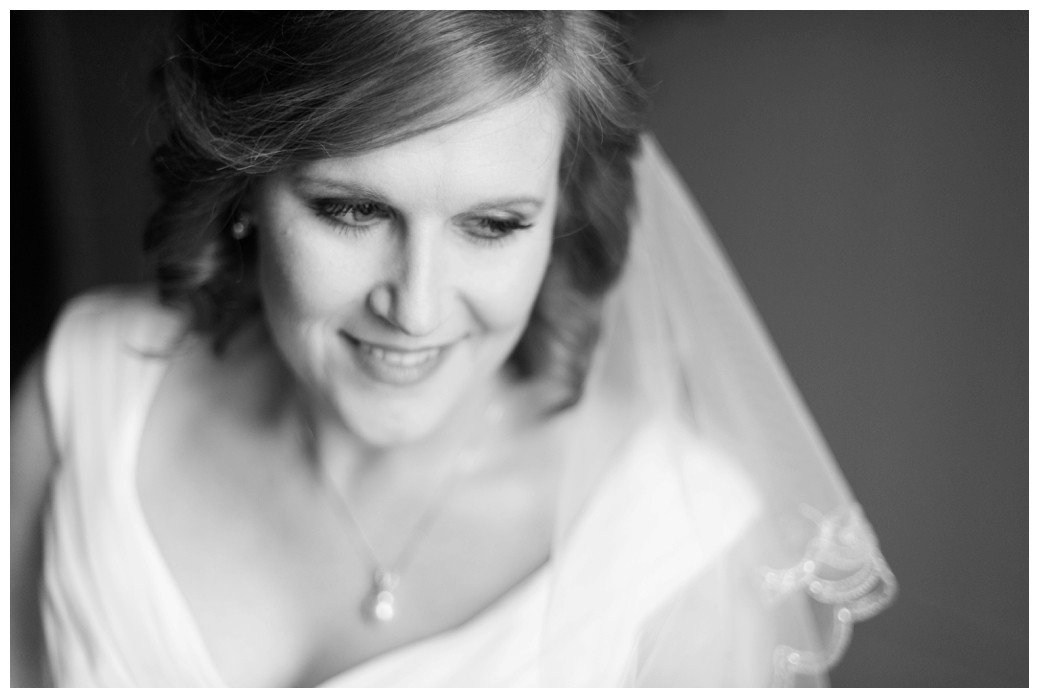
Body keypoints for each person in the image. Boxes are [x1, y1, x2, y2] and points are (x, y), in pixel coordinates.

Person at [10, 11, 896, 687]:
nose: (416, 305)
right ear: (243, 185)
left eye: (493, 224)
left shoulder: (675, 543)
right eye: (352, 210)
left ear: (559, 219)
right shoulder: (88, 386)